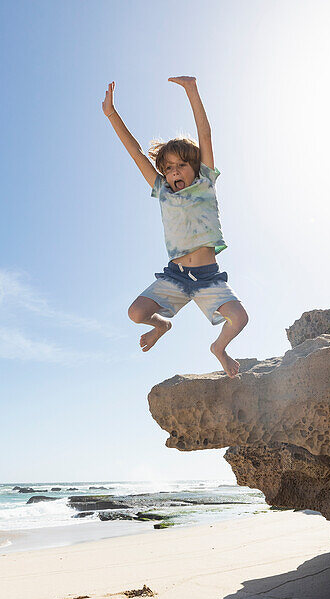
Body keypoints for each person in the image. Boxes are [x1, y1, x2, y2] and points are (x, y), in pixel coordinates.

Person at [103, 76, 248, 378]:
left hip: (208, 278)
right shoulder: (163, 192)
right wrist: (112, 115)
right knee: (136, 313)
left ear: (194, 167)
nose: (174, 171)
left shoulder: (205, 183)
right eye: (168, 168)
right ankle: (163, 325)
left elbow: (205, 136)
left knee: (240, 318)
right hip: (175, 277)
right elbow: (136, 153)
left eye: (181, 164)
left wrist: (192, 91)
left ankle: (219, 349)